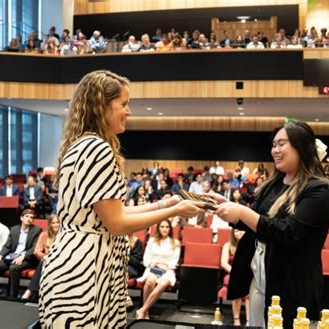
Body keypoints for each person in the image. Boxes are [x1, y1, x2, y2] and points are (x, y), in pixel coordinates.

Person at [39, 70, 203, 328]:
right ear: (101, 106)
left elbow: (113, 212)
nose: (129, 112)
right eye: (124, 104)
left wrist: (164, 204)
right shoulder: (97, 149)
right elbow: (117, 224)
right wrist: (175, 211)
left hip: (78, 265)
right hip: (85, 273)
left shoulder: (82, 145)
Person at [210, 121, 329, 328]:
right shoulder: (273, 184)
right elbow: (254, 223)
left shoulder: (319, 189)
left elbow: (287, 231)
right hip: (259, 275)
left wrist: (241, 211)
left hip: (290, 281)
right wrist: (229, 209)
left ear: (301, 147)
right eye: (274, 144)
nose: (275, 150)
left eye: (282, 144)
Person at [0, 209, 41, 297]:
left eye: (31, 217)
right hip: (13, 256)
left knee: (14, 268)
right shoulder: (14, 229)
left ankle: (13, 295)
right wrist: (0, 255)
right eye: (27, 216)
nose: (29, 219)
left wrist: (23, 256)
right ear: (21, 218)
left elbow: (34, 248)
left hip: (27, 258)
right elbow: (7, 245)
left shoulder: (37, 230)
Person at [136, 219, 180, 319]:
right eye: (162, 227)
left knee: (163, 283)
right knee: (150, 281)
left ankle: (143, 310)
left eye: (167, 227)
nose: (165, 229)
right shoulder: (152, 241)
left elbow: (174, 262)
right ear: (158, 228)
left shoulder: (175, 242)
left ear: (170, 229)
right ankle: (145, 313)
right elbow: (146, 260)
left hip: (168, 271)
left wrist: (160, 262)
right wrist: (156, 263)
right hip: (153, 268)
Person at [21, 215, 60, 301]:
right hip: (46, 261)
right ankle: (35, 293)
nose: (56, 225)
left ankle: (29, 291)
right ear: (49, 224)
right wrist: (46, 257)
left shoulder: (64, 236)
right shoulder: (44, 234)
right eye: (53, 223)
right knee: (44, 263)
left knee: (43, 263)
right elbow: (36, 251)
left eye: (58, 222)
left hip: (59, 262)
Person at [220, 229, 249, 326]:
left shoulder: (251, 245)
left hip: (247, 274)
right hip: (231, 273)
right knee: (237, 284)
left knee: (251, 287)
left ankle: (249, 320)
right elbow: (224, 263)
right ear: (233, 233)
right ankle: (236, 319)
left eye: (242, 230)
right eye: (237, 231)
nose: (240, 232)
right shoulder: (227, 245)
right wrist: (237, 273)